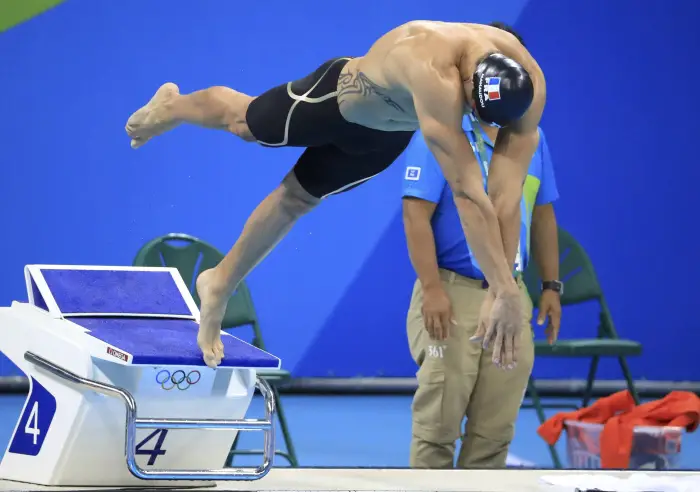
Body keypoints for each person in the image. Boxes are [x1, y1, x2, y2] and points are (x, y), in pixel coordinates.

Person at [125, 21, 546, 369]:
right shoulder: (433, 69)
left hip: (383, 139)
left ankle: (218, 284)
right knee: (244, 123)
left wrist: (501, 287)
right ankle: (172, 108)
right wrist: (506, 291)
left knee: (297, 200)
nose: (474, 118)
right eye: (473, 108)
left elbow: (505, 198)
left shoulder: (529, 90)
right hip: (334, 101)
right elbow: (468, 194)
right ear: (470, 80)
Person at [403, 106, 562, 468]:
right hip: (453, 293)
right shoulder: (440, 136)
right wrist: (432, 289)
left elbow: (541, 212)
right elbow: (415, 215)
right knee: (438, 428)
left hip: (510, 295)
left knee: (494, 432)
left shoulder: (532, 139)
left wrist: (550, 285)